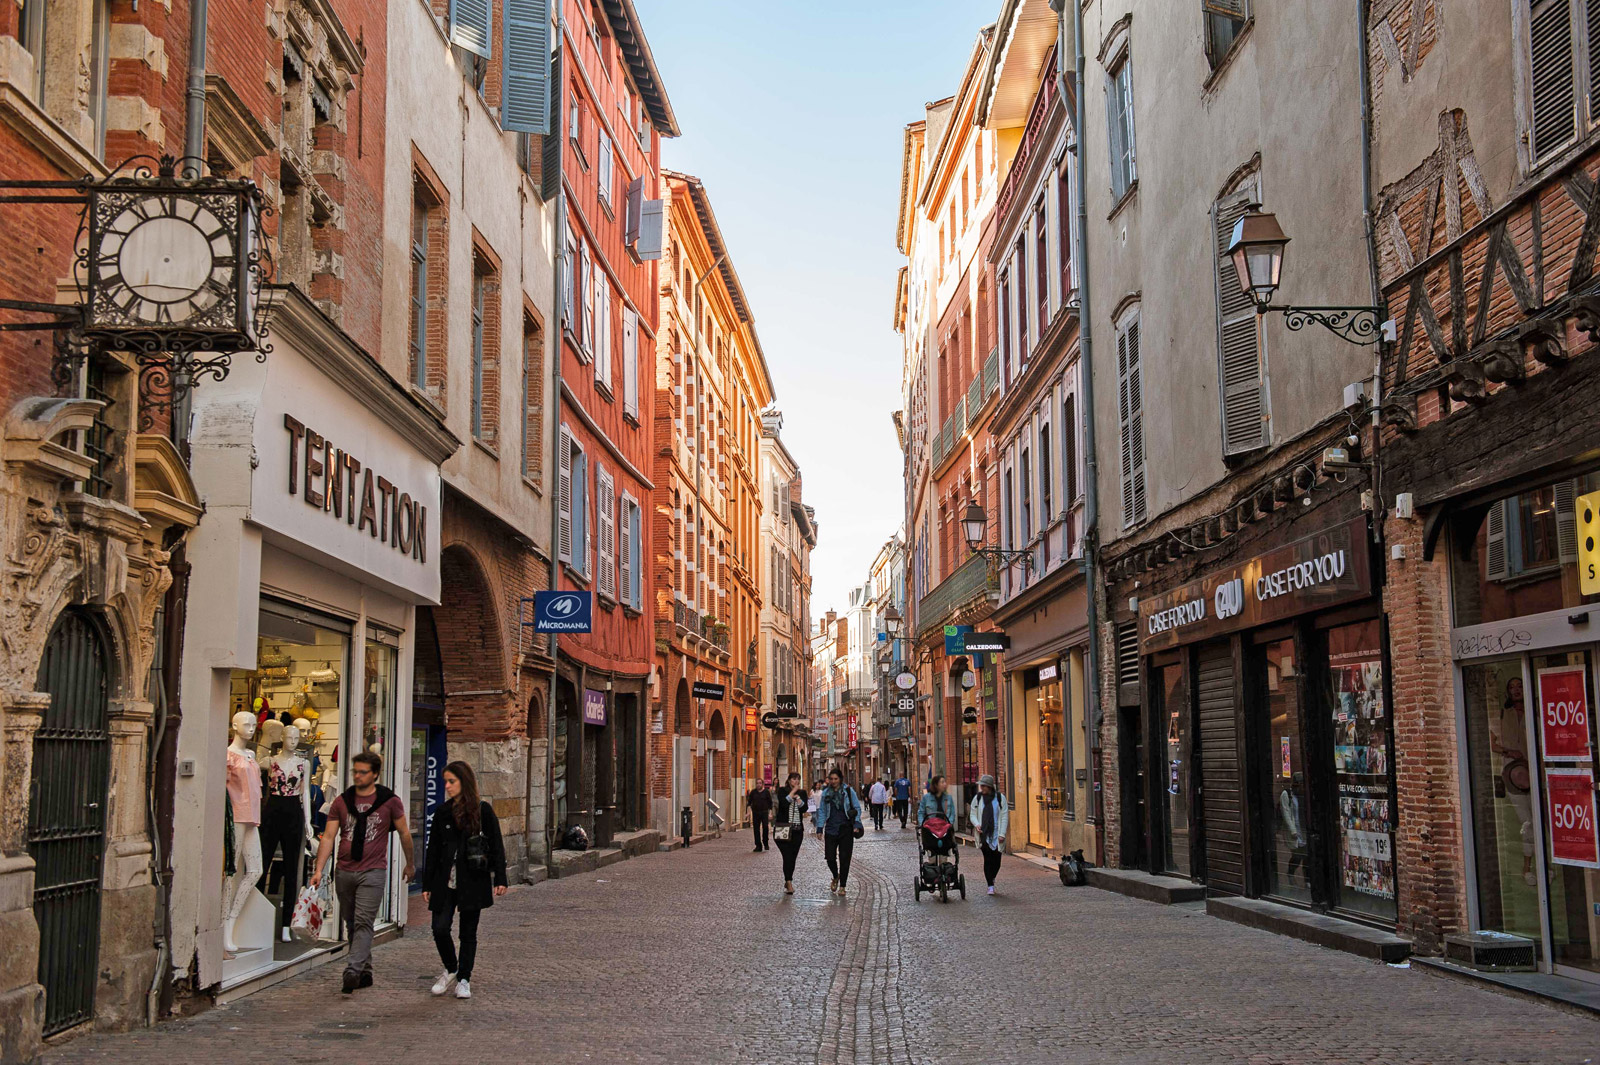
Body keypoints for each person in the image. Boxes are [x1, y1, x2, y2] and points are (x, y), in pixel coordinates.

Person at [309, 751, 413, 993]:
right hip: (344, 871)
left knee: (364, 921)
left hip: (373, 871)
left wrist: (410, 863)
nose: (358, 776)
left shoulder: (389, 801)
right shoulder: (342, 802)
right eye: (355, 771)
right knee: (351, 924)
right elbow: (329, 837)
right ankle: (365, 971)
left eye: (363, 772)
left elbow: (405, 833)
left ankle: (352, 971)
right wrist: (319, 869)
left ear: (375, 774)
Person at [422, 761, 507, 1000]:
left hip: (473, 878)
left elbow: (497, 846)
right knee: (439, 928)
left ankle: (464, 979)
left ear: (464, 782)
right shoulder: (442, 812)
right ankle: (451, 968)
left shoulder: (483, 810)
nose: (447, 786)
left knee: (468, 933)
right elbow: (434, 850)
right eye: (445, 782)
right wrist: (427, 883)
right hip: (445, 880)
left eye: (452, 781)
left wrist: (500, 878)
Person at [812, 768, 864, 897]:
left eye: (836, 779)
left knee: (845, 858)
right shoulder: (826, 793)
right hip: (831, 828)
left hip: (846, 828)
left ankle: (843, 886)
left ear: (840, 779)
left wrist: (856, 823)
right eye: (831, 779)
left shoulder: (848, 791)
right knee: (830, 857)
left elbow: (856, 807)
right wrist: (819, 828)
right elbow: (823, 811)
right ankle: (836, 876)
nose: (834, 781)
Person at [967, 775, 1009, 895]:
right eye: (981, 785)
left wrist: (1002, 834)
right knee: (987, 859)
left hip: (997, 833)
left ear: (989, 787)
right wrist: (977, 824)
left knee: (997, 861)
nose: (982, 788)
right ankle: (990, 885)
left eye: (984, 786)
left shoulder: (1000, 799)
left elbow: (1004, 816)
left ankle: (992, 876)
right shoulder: (978, 798)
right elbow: (973, 814)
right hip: (984, 833)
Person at [772, 772, 808, 894]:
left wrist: (798, 798)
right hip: (784, 829)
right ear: (789, 780)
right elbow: (783, 804)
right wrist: (792, 793)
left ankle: (788, 879)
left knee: (792, 857)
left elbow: (804, 809)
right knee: (787, 855)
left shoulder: (802, 793)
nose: (796, 781)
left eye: (798, 779)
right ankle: (789, 881)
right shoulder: (782, 790)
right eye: (794, 779)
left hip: (797, 830)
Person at [747, 780, 773, 852]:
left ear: (762, 784)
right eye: (757, 783)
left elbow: (770, 803)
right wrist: (748, 812)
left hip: (764, 812)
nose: (758, 785)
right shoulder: (753, 792)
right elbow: (749, 802)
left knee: (765, 827)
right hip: (755, 812)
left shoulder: (766, 792)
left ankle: (765, 842)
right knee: (756, 829)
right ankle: (758, 845)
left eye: (760, 783)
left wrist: (770, 813)